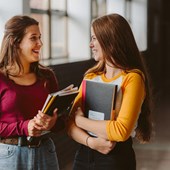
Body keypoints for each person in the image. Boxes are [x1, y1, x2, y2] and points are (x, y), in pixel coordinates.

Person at [67, 13, 153, 170]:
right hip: (84, 154)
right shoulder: (90, 77)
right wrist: (91, 142)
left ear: (110, 41)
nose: (90, 44)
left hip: (116, 158)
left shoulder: (132, 79)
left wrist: (80, 121)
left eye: (94, 38)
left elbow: (120, 131)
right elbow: (69, 124)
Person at [0, 15, 60, 170]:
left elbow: (62, 120)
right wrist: (25, 127)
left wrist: (53, 123)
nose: (40, 43)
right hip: (10, 157)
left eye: (40, 37)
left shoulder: (48, 76)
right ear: (15, 42)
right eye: (33, 38)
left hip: (46, 152)